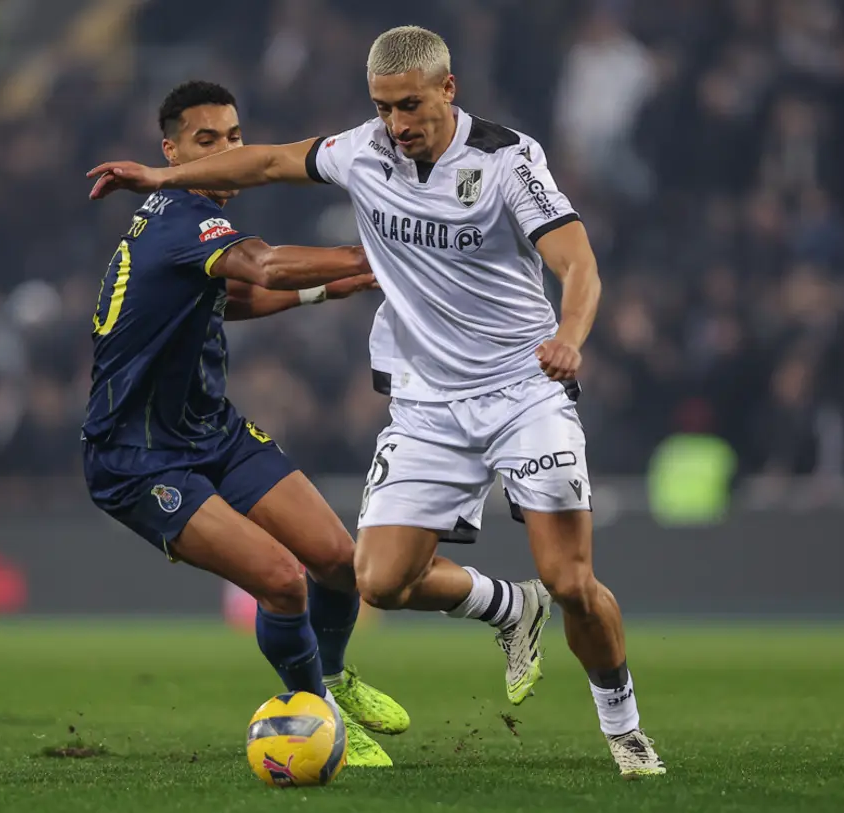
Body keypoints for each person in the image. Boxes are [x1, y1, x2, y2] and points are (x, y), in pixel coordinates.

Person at [88, 29, 665, 778]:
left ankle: (624, 729)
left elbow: (578, 263)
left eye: (409, 106)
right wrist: (164, 180)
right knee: (375, 579)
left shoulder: (507, 160)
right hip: (419, 405)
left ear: (448, 89)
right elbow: (268, 176)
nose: (395, 124)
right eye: (383, 108)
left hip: (523, 389)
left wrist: (571, 337)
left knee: (570, 581)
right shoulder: (358, 152)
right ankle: (496, 613)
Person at [81, 80, 406, 768]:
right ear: (171, 152)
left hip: (211, 430)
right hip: (140, 456)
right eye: (207, 140)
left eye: (234, 137)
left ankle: (334, 677)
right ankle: (316, 711)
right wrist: (374, 257)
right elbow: (262, 265)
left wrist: (333, 287)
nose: (228, 151)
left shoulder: (179, 222)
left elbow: (229, 298)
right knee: (283, 580)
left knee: (338, 560)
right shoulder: (180, 216)